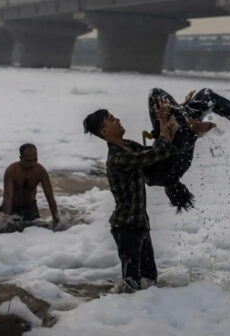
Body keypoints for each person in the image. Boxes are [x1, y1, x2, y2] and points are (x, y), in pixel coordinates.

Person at [83, 99, 175, 292]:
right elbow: (159, 151)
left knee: (149, 281)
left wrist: (167, 126)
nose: (117, 119)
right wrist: (164, 123)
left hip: (140, 223)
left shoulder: (128, 146)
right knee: (132, 284)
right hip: (126, 227)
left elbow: (155, 153)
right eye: (111, 119)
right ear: (104, 132)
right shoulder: (117, 158)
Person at [144, 88, 230, 212]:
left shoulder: (183, 167)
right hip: (174, 137)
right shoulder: (151, 179)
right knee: (156, 94)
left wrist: (189, 120)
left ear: (183, 186)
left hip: (185, 137)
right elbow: (143, 157)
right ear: (168, 194)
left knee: (206, 97)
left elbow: (189, 142)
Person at [0, 143, 60, 227]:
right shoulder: (12, 171)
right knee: (9, 231)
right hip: (13, 208)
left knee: (37, 232)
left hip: (30, 208)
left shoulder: (40, 171)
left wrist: (56, 220)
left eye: (35, 160)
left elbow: (50, 197)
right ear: (21, 158)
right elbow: (7, 198)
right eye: (29, 161)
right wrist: (5, 221)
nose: (33, 164)